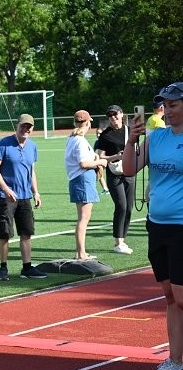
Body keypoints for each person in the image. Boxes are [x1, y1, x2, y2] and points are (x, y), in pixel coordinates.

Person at [122, 82, 183, 370]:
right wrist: (131, 140)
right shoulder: (156, 137)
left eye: (174, 105)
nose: (167, 110)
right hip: (157, 225)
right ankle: (176, 362)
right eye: (165, 105)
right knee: (171, 297)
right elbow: (130, 169)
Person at [0, 113, 47, 281]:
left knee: (27, 232)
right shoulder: (3, 144)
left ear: (32, 129)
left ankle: (27, 268)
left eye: (29, 127)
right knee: (5, 233)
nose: (25, 129)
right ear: (17, 125)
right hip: (5, 197)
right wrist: (6, 189)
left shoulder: (33, 146)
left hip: (24, 196)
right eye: (23, 126)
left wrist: (35, 191)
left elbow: (31, 171)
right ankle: (3, 267)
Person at [64, 110, 108, 260]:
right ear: (88, 123)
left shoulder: (72, 138)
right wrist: (100, 162)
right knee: (84, 218)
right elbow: (83, 163)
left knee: (83, 217)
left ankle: (81, 252)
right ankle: (81, 253)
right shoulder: (80, 140)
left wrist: (94, 157)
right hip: (82, 179)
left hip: (80, 179)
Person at [96, 105, 135, 254]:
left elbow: (137, 147)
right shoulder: (105, 135)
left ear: (121, 114)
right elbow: (100, 156)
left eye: (115, 114)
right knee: (122, 206)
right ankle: (118, 242)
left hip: (130, 172)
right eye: (110, 115)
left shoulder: (130, 131)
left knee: (129, 208)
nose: (113, 117)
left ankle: (122, 240)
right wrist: (116, 156)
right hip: (114, 174)